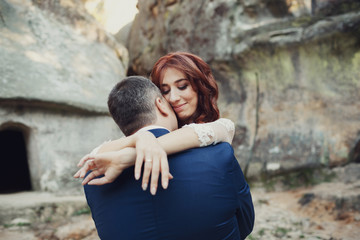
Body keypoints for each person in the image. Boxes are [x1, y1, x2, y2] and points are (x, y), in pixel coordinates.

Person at [81, 76, 254, 240]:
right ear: (160, 104)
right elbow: (245, 224)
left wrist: (138, 142)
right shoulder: (219, 155)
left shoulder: (94, 179)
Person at [75, 52, 235, 195]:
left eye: (182, 86)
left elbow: (209, 132)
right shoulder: (147, 134)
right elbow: (94, 156)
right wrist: (140, 139)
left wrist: (130, 155)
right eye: (165, 91)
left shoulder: (218, 128)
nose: (173, 98)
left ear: (201, 87)